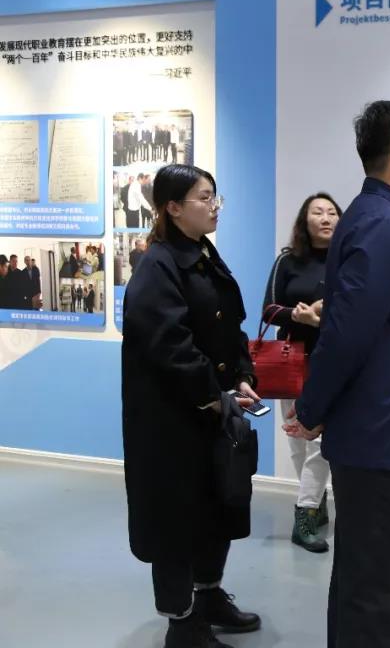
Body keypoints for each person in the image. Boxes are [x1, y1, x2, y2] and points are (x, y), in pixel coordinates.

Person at [284, 100, 390, 647]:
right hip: (383, 432)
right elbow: (348, 331)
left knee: (375, 578)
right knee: (373, 588)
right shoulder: (381, 223)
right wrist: (312, 408)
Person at [121, 164, 262, 648]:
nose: (214, 205)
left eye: (215, 196)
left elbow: (231, 326)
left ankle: (209, 596)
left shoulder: (204, 254)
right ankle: (181, 623)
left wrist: (242, 376)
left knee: (216, 509)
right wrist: (212, 395)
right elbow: (169, 346)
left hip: (212, 415)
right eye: (204, 197)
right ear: (173, 207)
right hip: (172, 423)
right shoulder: (157, 266)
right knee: (176, 522)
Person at [263, 192, 342, 553]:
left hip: (332, 361)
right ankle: (315, 500)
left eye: (332, 212)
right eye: (317, 212)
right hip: (292, 359)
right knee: (297, 440)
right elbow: (269, 310)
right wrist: (300, 316)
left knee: (321, 442)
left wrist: (322, 318)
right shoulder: (287, 261)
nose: (325, 218)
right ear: (304, 221)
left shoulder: (348, 261)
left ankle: (304, 514)